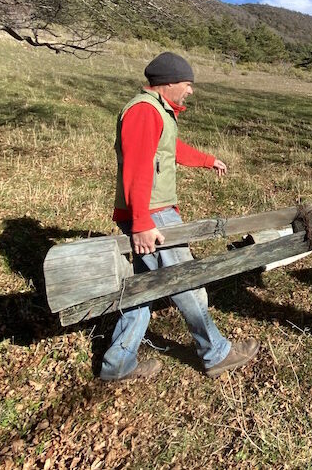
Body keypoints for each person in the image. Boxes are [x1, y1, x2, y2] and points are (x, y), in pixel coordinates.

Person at [100, 52, 259, 382]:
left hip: (150, 213)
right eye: (187, 84)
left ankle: (118, 363)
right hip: (153, 215)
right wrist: (143, 222)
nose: (190, 91)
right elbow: (137, 169)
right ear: (169, 83)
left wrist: (207, 160)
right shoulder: (144, 111)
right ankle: (216, 353)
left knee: (146, 288)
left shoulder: (156, 111)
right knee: (186, 282)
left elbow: (169, 150)